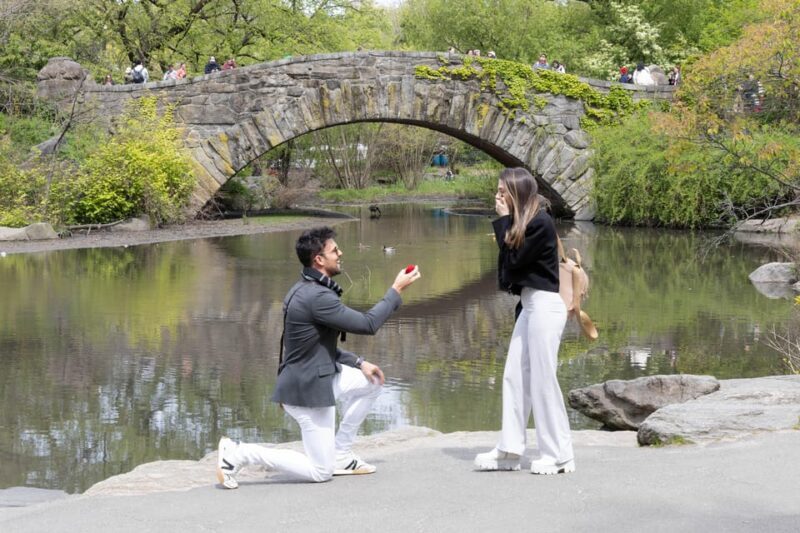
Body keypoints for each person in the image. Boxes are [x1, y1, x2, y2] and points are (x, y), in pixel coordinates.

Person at [216, 227, 421, 488]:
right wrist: (395, 290)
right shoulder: (316, 297)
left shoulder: (305, 288)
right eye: (335, 250)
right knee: (320, 472)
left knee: (372, 382)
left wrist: (359, 363)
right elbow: (368, 324)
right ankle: (237, 453)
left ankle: (343, 455)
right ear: (319, 259)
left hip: (318, 375)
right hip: (307, 391)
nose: (340, 253)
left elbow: (313, 347)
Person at [474, 168, 574, 475]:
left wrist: (503, 221)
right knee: (514, 376)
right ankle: (510, 449)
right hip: (529, 306)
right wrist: (506, 225)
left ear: (516, 193)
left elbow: (513, 264)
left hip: (545, 306)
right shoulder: (523, 225)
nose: (498, 197)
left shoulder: (540, 223)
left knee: (543, 379)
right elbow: (507, 270)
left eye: (502, 192)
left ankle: (558, 455)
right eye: (498, 191)